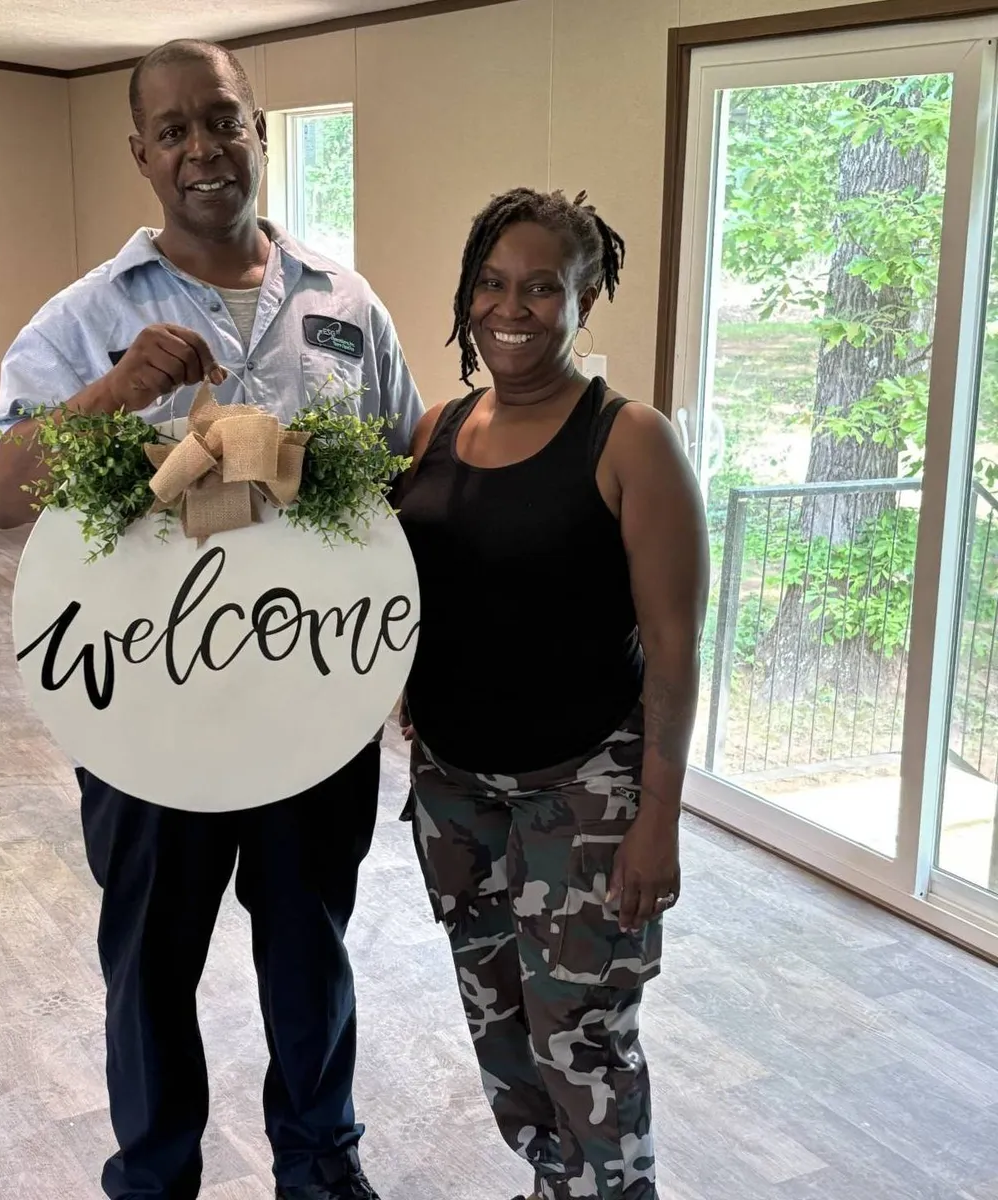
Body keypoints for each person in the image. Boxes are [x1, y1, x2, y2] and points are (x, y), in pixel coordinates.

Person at [0, 39, 421, 1200]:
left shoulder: (345, 303)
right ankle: (155, 1177)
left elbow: (403, 477)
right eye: (173, 130)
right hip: (150, 711)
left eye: (222, 119)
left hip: (313, 701)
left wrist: (408, 663)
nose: (203, 148)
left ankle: (321, 1166)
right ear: (141, 155)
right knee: (151, 964)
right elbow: (3, 493)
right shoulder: (85, 318)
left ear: (256, 130)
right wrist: (114, 391)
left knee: (310, 948)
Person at [394, 188, 709, 1200]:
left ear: (585, 299)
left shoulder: (629, 440)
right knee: (500, 1027)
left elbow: (673, 652)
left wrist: (658, 822)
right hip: (454, 788)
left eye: (541, 288)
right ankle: (552, 1181)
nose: (510, 308)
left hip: (583, 791)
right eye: (491, 284)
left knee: (583, 1037)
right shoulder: (437, 428)